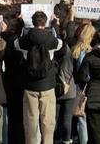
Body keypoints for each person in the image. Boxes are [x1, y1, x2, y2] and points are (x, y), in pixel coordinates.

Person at [14, 11, 63, 144]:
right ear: (45, 22)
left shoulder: (25, 40)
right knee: (48, 121)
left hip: (30, 85)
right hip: (47, 85)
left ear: (33, 22)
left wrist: (20, 25)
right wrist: (55, 26)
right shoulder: (51, 39)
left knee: (30, 120)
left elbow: (15, 44)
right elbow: (60, 44)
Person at [71, 23, 96, 144]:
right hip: (84, 88)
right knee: (83, 117)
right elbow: (84, 73)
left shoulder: (75, 49)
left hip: (77, 87)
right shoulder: (86, 51)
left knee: (81, 117)